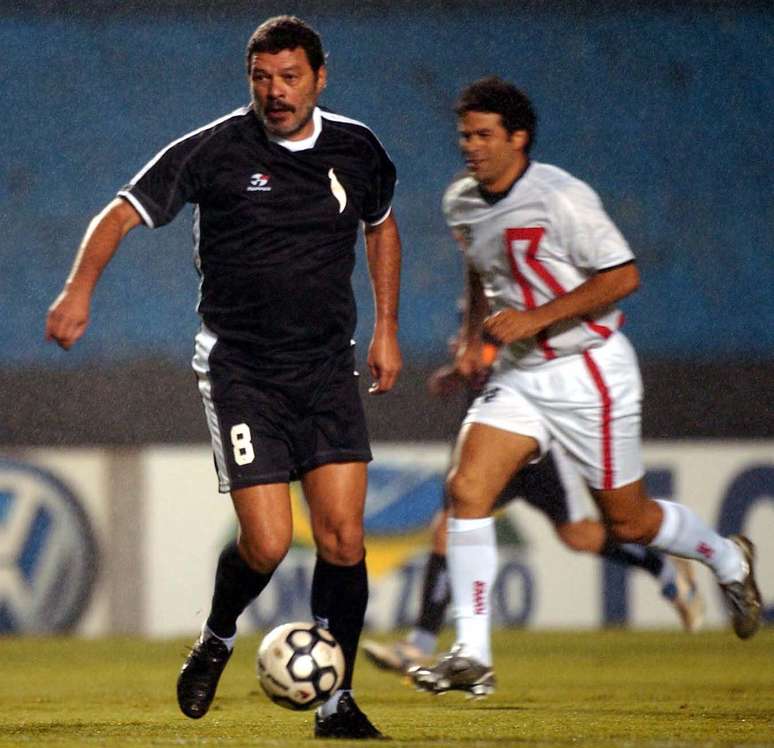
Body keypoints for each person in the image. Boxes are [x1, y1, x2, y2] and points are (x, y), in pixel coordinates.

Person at [45, 16, 401, 739]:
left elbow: (381, 224)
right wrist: (78, 289)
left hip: (327, 368)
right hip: (243, 370)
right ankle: (217, 635)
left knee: (343, 538)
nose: (276, 92)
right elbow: (120, 213)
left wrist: (389, 327)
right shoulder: (215, 150)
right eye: (262, 78)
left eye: (290, 77)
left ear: (320, 77)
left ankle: (337, 703)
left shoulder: (357, 149)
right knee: (269, 544)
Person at [409, 76, 761, 697]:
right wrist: (471, 338)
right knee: (467, 488)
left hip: (589, 368)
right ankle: (472, 654)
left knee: (628, 522)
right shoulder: (460, 201)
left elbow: (622, 276)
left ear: (518, 139)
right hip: (520, 373)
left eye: (484, 134)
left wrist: (537, 318)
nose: (470, 146)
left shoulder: (561, 197)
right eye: (464, 134)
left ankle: (727, 559)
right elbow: (481, 267)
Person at [362, 345, 704, 677]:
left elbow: (516, 350)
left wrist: (477, 356)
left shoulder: (522, 300)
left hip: (539, 449)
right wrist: (462, 369)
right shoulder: (482, 299)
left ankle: (664, 568)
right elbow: (482, 355)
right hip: (492, 442)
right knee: (447, 527)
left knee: (578, 535)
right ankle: (420, 644)